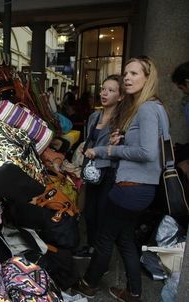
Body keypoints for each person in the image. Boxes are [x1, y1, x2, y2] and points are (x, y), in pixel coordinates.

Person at [72, 56, 169, 302]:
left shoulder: (146, 108)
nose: (127, 77)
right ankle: (134, 292)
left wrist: (111, 150)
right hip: (141, 188)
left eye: (134, 74)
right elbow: (151, 146)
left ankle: (88, 284)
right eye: (126, 73)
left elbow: (148, 153)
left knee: (105, 238)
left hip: (130, 188)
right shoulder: (156, 107)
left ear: (148, 78)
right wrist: (124, 140)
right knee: (125, 239)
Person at [73, 75, 123, 259]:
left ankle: (100, 253)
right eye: (103, 89)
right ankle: (91, 247)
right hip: (91, 170)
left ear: (120, 96)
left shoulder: (120, 120)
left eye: (111, 90)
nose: (104, 93)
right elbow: (89, 142)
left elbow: (117, 149)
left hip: (109, 171)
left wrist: (99, 151)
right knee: (89, 212)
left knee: (102, 213)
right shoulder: (94, 116)